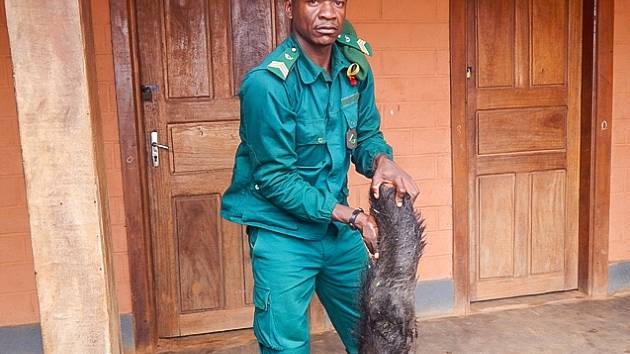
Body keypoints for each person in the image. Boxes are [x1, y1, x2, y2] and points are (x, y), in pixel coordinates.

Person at [221, 0, 419, 352]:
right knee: (286, 347)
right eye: (314, 1)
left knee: (376, 334)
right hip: (283, 234)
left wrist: (381, 161)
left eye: (338, 2)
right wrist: (354, 217)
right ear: (288, 7)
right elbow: (276, 179)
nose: (329, 13)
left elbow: (366, 134)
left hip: (337, 230)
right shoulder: (268, 85)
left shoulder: (354, 67)